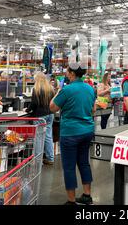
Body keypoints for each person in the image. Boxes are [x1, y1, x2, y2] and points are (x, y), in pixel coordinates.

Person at [50, 64, 96, 205]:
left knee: (69, 167)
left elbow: (52, 108)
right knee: (84, 163)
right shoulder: (90, 88)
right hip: (87, 131)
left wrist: (58, 92)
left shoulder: (67, 90)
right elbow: (93, 110)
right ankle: (87, 196)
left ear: (71, 74)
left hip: (70, 133)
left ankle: (71, 200)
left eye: (67, 72)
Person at [26, 72, 56, 165]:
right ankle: (50, 158)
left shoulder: (37, 89)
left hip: (40, 115)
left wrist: (28, 109)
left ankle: (38, 161)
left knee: (38, 137)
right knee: (48, 136)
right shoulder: (50, 88)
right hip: (50, 114)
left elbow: (34, 103)